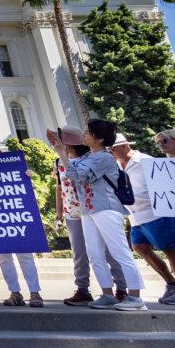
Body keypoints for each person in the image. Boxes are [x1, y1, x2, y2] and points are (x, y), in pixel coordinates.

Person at [63, 118, 148, 311]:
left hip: (106, 208)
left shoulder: (104, 157)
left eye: (88, 132)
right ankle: (107, 294)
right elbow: (71, 171)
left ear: (99, 138)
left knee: (120, 252)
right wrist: (61, 147)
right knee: (94, 254)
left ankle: (135, 297)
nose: (84, 134)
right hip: (88, 210)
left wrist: (62, 151)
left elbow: (78, 176)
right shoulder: (87, 157)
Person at [49, 127, 127, 306]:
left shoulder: (89, 158)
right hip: (73, 212)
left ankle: (121, 288)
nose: (54, 142)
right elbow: (60, 187)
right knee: (80, 253)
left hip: (94, 208)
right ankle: (83, 289)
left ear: (68, 141)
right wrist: (59, 213)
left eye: (58, 139)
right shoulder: (59, 161)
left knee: (109, 251)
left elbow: (82, 178)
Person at [0, 133, 43, 307]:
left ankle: (35, 293)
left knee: (25, 254)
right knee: (4, 257)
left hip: (15, 215)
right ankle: (15, 293)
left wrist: (28, 176)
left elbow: (24, 189)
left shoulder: (12, 163)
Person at [112, 134, 175, 305]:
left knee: (170, 250)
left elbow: (165, 187)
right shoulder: (116, 166)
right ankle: (171, 283)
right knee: (140, 248)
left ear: (125, 146)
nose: (112, 152)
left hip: (156, 214)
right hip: (135, 216)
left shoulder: (146, 161)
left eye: (114, 148)